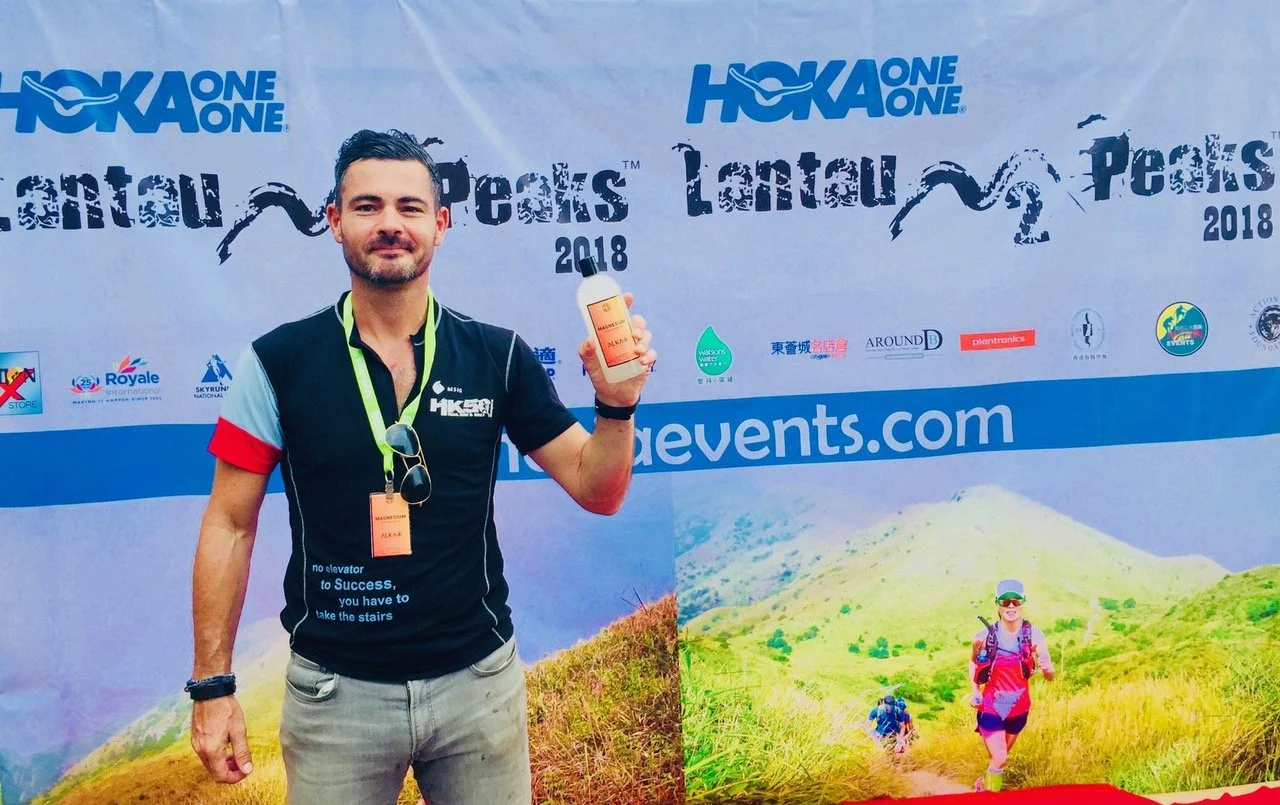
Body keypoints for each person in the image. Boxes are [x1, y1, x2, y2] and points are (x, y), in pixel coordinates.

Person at [186, 129, 657, 805]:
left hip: (478, 688)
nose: (389, 224)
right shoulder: (276, 363)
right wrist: (212, 685)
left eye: (409, 207)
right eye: (367, 206)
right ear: (334, 222)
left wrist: (616, 405)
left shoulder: (497, 355)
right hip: (336, 696)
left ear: (441, 224)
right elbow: (229, 524)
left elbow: (598, 488)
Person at [968, 579, 1055, 792]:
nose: (1010, 606)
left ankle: (983, 786)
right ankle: (989, 796)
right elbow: (973, 663)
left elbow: (1050, 675)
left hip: (1019, 708)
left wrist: (1047, 667)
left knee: (998, 760)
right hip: (991, 706)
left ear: (1022, 603)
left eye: (1015, 601)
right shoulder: (983, 637)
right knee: (1000, 757)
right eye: (1005, 601)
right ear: (997, 604)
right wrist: (975, 691)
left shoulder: (1034, 635)